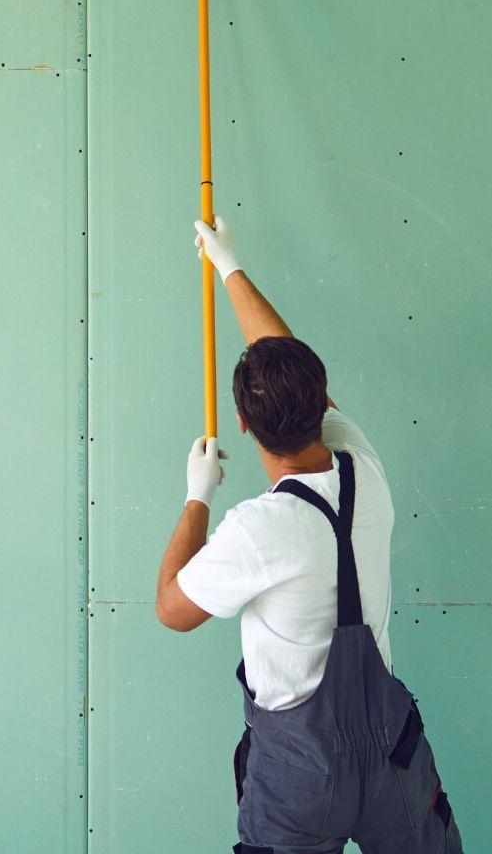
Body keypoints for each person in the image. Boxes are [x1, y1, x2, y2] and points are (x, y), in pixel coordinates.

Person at [157, 216, 463, 854]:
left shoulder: (257, 530)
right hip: (390, 763)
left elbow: (172, 609)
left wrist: (197, 498)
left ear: (242, 424)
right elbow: (292, 368)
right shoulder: (364, 466)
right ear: (324, 405)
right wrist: (231, 267)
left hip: (300, 781)